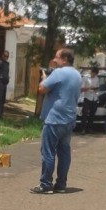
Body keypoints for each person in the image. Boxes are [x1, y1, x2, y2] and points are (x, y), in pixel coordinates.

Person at [31, 48, 81, 194]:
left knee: (48, 151)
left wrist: (44, 77)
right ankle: (61, 184)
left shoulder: (59, 73)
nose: (54, 60)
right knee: (64, 151)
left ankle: (46, 184)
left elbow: (41, 89)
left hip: (54, 118)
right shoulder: (77, 74)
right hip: (69, 118)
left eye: (57, 57)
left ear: (64, 59)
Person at [79, 66, 100, 134]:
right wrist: (88, 88)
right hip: (87, 97)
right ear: (91, 72)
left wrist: (95, 88)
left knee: (92, 114)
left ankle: (89, 128)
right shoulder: (86, 78)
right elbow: (81, 89)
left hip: (94, 97)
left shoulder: (97, 78)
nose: (94, 74)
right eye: (93, 73)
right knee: (85, 114)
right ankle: (83, 129)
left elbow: (98, 88)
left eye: (95, 74)